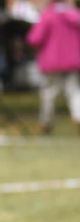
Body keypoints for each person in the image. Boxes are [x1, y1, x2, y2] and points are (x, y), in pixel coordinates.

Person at [26, 0, 80, 134]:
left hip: (52, 62)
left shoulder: (48, 16)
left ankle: (46, 122)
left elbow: (34, 39)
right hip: (72, 61)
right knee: (74, 91)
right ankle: (78, 116)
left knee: (49, 93)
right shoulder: (75, 15)